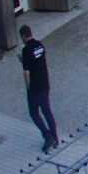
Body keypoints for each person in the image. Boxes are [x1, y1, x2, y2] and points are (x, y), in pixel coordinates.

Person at [20, 25, 55, 153]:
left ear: (23, 36)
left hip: (35, 87)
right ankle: (55, 136)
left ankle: (47, 136)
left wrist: (28, 88)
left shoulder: (26, 50)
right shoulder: (40, 45)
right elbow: (37, 61)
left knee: (33, 112)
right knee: (47, 110)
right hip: (45, 83)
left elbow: (26, 72)